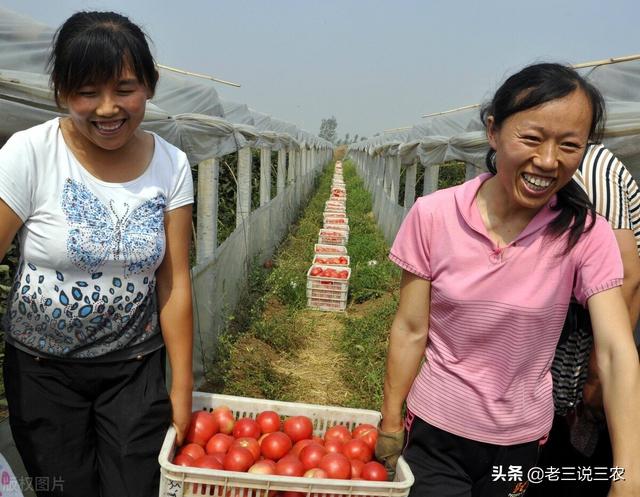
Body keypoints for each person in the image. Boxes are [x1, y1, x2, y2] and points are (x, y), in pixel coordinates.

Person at [374, 62, 640, 497]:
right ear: (494, 131)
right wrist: (389, 418)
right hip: (436, 431)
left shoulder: (585, 235)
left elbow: (615, 351)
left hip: (519, 445)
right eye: (532, 138)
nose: (548, 161)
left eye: (569, 145)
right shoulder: (434, 215)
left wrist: (629, 479)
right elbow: (410, 328)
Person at [0, 11, 194, 497]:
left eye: (125, 89)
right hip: (41, 373)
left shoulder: (171, 165)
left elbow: (174, 282)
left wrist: (182, 385)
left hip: (135, 370)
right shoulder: (30, 153)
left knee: (135, 486)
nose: (108, 109)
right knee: (61, 488)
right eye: (88, 93)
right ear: (63, 93)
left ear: (149, 86)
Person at [527, 145, 640, 497]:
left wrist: (595, 378)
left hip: (595, 333)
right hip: (577, 326)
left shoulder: (593, 171)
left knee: (578, 450)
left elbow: (629, 279)